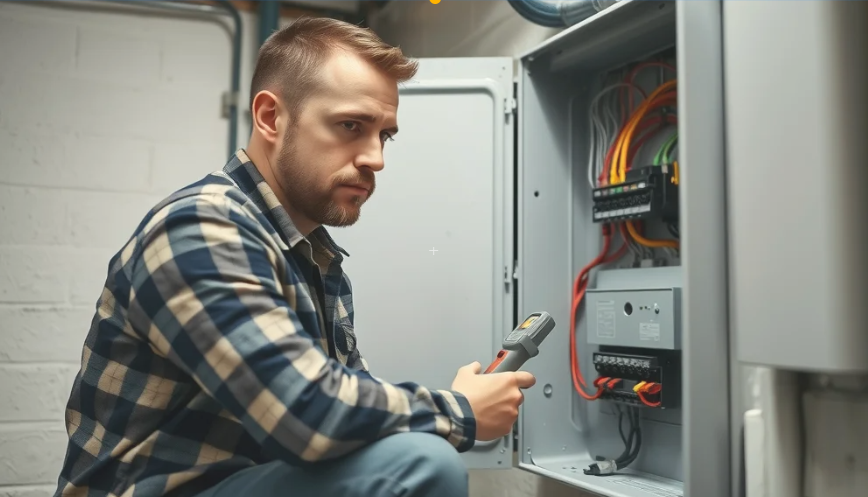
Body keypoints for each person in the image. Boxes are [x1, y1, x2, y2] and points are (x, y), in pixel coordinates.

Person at [53, 16, 536, 497]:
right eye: (351, 125)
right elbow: (308, 414)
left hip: (245, 481)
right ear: (270, 117)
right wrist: (460, 411)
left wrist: (444, 409)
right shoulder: (202, 227)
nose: (376, 158)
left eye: (384, 135)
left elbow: (348, 412)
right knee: (419, 464)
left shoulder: (316, 259)